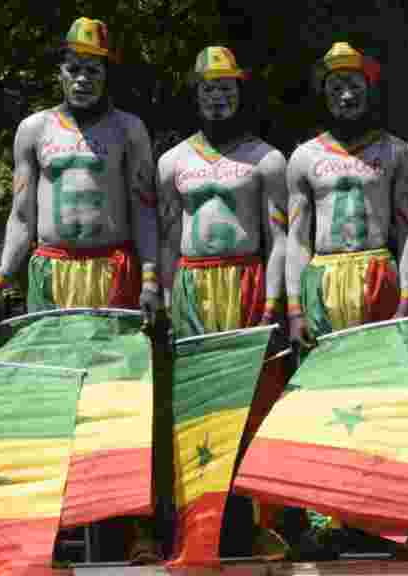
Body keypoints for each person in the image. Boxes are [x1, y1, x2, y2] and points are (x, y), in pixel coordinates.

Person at [0, 17, 162, 563]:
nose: (84, 78)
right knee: (53, 400)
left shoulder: (129, 129)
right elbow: (20, 214)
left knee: (123, 399)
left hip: (114, 271)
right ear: (60, 72)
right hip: (51, 274)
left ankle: (135, 529)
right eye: (75, 68)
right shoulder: (34, 130)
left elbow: (145, 210)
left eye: (94, 69)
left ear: (108, 73)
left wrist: (152, 278)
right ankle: (50, 529)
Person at [284, 41, 408, 558]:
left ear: (368, 90)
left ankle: (381, 516)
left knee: (383, 400)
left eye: (354, 85)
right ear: (324, 92)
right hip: (324, 280)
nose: (345, 94)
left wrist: (406, 297)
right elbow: (295, 241)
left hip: (376, 273)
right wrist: (296, 307)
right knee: (323, 400)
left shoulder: (396, 152)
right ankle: (324, 519)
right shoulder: (305, 156)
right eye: (336, 86)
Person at [156, 46, 289, 561]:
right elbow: (168, 239)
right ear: (196, 92)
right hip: (191, 285)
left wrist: (274, 300)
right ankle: (197, 530)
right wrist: (165, 302)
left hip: (247, 282)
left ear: (240, 94)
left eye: (227, 89)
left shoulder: (267, 159)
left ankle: (267, 526)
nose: (217, 97)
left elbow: (280, 238)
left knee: (258, 405)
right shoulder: (173, 162)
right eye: (209, 88)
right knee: (196, 408)